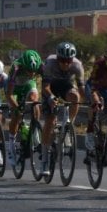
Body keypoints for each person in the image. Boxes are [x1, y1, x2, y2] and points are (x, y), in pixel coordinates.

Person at [39, 42, 86, 175]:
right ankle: (44, 160)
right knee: (50, 120)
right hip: (50, 87)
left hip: (66, 86)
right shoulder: (49, 63)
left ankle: (68, 125)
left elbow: (81, 89)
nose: (65, 64)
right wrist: (50, 98)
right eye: (62, 61)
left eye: (68, 61)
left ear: (72, 60)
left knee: (75, 97)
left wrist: (88, 101)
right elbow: (45, 87)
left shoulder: (77, 66)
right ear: (58, 58)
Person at [5, 50, 43, 162]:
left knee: (34, 101)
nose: (32, 74)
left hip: (27, 85)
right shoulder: (16, 68)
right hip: (14, 89)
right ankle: (11, 144)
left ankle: (35, 134)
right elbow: (9, 94)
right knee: (16, 116)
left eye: (34, 71)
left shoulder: (41, 67)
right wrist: (16, 108)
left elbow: (47, 86)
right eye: (29, 71)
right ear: (23, 65)